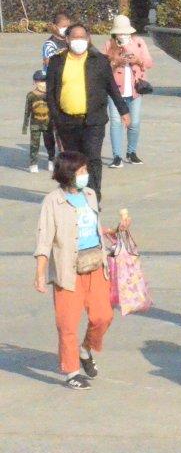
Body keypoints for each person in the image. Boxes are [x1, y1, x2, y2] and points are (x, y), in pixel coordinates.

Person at [34, 151, 129, 390]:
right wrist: (40, 274)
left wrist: (116, 229)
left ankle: (85, 349)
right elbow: (44, 240)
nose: (86, 175)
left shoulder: (89, 195)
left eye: (85, 170)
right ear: (68, 174)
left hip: (95, 264)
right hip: (68, 271)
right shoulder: (52, 202)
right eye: (81, 171)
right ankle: (72, 371)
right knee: (67, 323)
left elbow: (92, 227)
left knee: (103, 316)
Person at [45, 24, 130, 199]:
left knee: (92, 157)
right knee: (73, 161)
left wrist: (123, 111)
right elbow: (50, 92)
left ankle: (93, 196)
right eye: (75, 37)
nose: (79, 41)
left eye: (82, 37)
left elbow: (112, 87)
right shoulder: (57, 61)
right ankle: (75, 194)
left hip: (93, 120)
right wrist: (55, 117)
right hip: (67, 121)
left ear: (88, 38)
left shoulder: (99, 61)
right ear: (67, 39)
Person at [104, 15, 153, 169]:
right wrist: (116, 62)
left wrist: (136, 60)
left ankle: (131, 152)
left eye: (125, 32)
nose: (123, 35)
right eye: (120, 32)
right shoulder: (109, 44)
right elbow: (103, 67)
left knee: (134, 122)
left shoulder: (138, 42)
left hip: (134, 90)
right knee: (116, 122)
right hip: (115, 91)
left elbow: (149, 63)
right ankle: (117, 156)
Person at [23, 69, 54, 173]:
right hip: (35, 124)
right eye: (40, 81)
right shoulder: (31, 95)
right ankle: (33, 164)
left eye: (44, 81)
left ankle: (51, 161)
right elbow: (27, 111)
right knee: (34, 144)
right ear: (35, 82)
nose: (42, 83)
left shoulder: (51, 94)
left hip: (48, 124)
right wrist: (25, 126)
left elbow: (55, 109)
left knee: (50, 143)